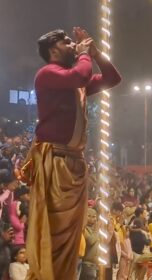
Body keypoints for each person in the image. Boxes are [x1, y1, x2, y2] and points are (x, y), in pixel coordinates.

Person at [21, 27, 121, 280]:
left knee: (71, 232)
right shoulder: (48, 74)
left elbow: (112, 78)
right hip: (55, 161)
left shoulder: (75, 81)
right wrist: (85, 54)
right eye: (67, 42)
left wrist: (96, 55)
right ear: (53, 49)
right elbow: (80, 76)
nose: (73, 45)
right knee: (56, 232)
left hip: (74, 162)